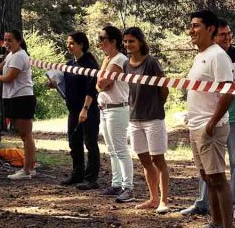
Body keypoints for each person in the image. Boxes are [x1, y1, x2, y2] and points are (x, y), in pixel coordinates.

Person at [185, 20, 235, 220]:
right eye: (224, 35)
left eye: (230, 34)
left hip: (234, 117)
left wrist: (213, 122)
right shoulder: (204, 55)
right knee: (208, 171)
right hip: (204, 121)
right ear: (215, 35)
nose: (228, 38)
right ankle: (204, 204)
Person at [185, 9, 235, 228]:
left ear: (210, 29)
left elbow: (228, 91)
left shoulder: (218, 56)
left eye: (196, 25)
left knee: (217, 177)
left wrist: (212, 122)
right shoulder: (201, 55)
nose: (191, 30)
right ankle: (216, 224)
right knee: (207, 176)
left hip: (211, 126)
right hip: (196, 125)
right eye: (191, 25)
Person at [123, 27, 170, 213]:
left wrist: (157, 105)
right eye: (125, 41)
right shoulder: (126, 64)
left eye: (131, 41)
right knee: (144, 159)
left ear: (140, 42)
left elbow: (163, 88)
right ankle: (153, 198)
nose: (127, 45)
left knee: (158, 159)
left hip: (153, 118)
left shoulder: (151, 62)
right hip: (135, 118)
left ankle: (164, 200)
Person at [0, 29, 37, 181]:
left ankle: (27, 169)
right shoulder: (11, 55)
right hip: (13, 97)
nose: (6, 43)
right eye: (5, 40)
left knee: (26, 135)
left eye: (10, 40)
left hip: (22, 97)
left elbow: (8, 77)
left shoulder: (20, 56)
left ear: (19, 41)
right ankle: (29, 166)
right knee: (23, 134)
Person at [51, 31, 100, 189]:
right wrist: (55, 84)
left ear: (81, 45)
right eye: (68, 43)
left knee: (90, 143)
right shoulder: (69, 64)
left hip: (88, 109)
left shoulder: (90, 64)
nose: (69, 46)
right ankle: (77, 173)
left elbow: (92, 89)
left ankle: (91, 178)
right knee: (74, 142)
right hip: (72, 109)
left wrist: (85, 109)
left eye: (72, 43)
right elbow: (65, 84)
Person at [95, 25, 135, 202]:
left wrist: (100, 82)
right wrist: (100, 81)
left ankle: (128, 187)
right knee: (112, 150)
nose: (100, 42)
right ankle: (116, 183)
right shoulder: (109, 59)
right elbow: (100, 83)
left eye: (103, 39)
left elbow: (104, 84)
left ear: (113, 41)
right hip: (105, 108)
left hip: (117, 108)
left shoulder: (118, 60)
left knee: (120, 149)